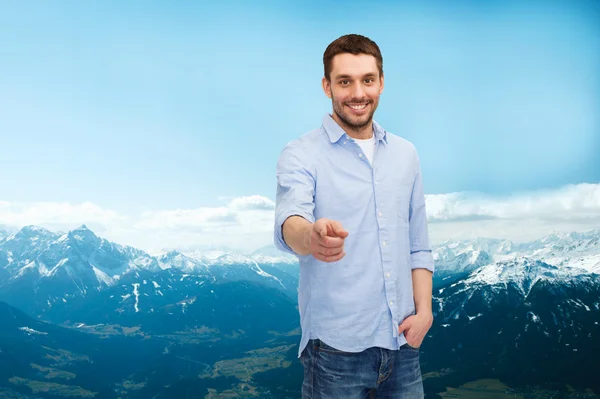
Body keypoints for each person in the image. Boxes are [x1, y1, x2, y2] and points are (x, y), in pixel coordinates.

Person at [273, 33, 434, 398]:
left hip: (404, 344)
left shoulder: (406, 154)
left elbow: (418, 245)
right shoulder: (300, 154)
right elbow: (290, 221)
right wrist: (310, 237)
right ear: (327, 85)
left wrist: (424, 311)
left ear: (381, 83)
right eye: (345, 81)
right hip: (334, 353)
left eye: (367, 80)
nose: (358, 93)